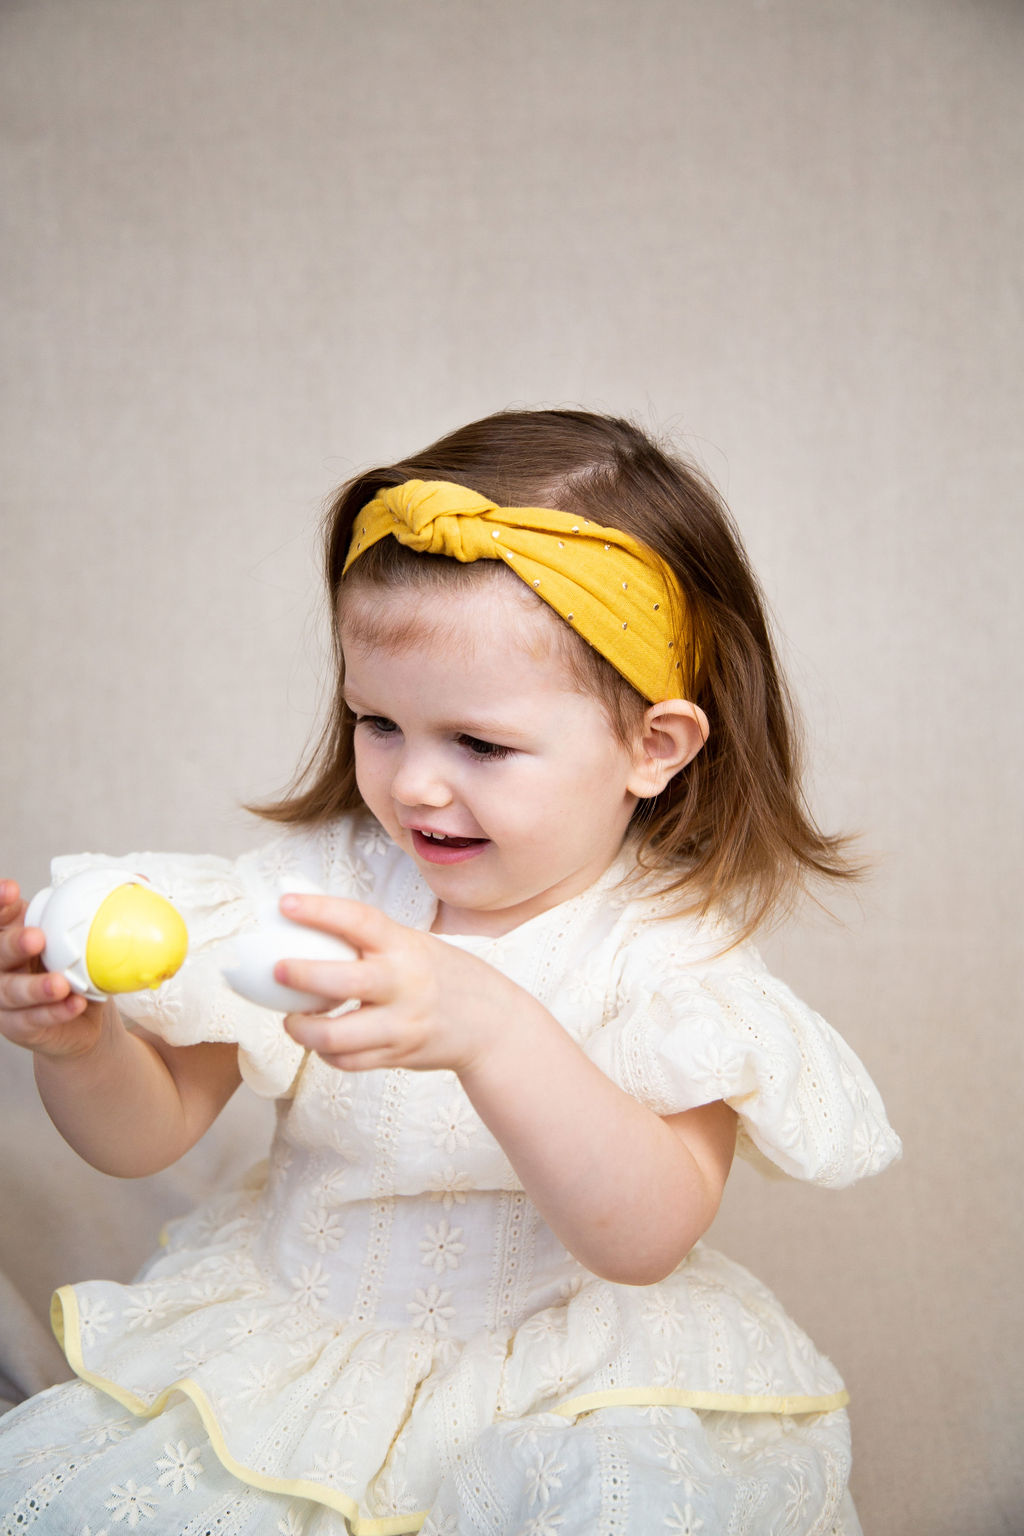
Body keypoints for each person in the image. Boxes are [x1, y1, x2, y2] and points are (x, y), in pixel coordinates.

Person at [0, 410, 900, 1536]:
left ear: (651, 747)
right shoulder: (321, 892)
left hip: (566, 1377)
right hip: (303, 1349)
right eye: (379, 723)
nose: (414, 786)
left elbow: (643, 1238)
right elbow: (151, 1132)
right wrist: (83, 1047)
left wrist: (493, 1026)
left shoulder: (665, 954)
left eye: (478, 745)